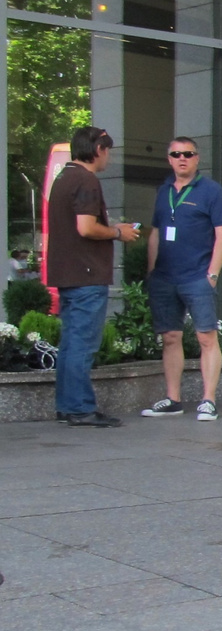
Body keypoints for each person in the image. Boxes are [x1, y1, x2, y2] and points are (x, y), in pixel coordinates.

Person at [44, 126, 138, 427]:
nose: (108, 156)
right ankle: (81, 408)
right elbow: (86, 227)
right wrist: (117, 232)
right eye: (108, 150)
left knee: (71, 343)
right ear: (98, 149)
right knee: (83, 344)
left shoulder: (63, 178)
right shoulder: (86, 180)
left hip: (68, 273)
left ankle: (67, 406)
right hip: (87, 274)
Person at [141, 136, 222, 422]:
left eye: (188, 154)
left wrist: (212, 275)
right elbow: (155, 231)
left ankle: (208, 399)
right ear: (169, 159)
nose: (182, 158)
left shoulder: (211, 190)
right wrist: (151, 271)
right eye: (177, 154)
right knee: (170, 337)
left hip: (197, 276)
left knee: (206, 336)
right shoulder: (164, 190)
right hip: (165, 277)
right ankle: (173, 399)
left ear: (197, 159)